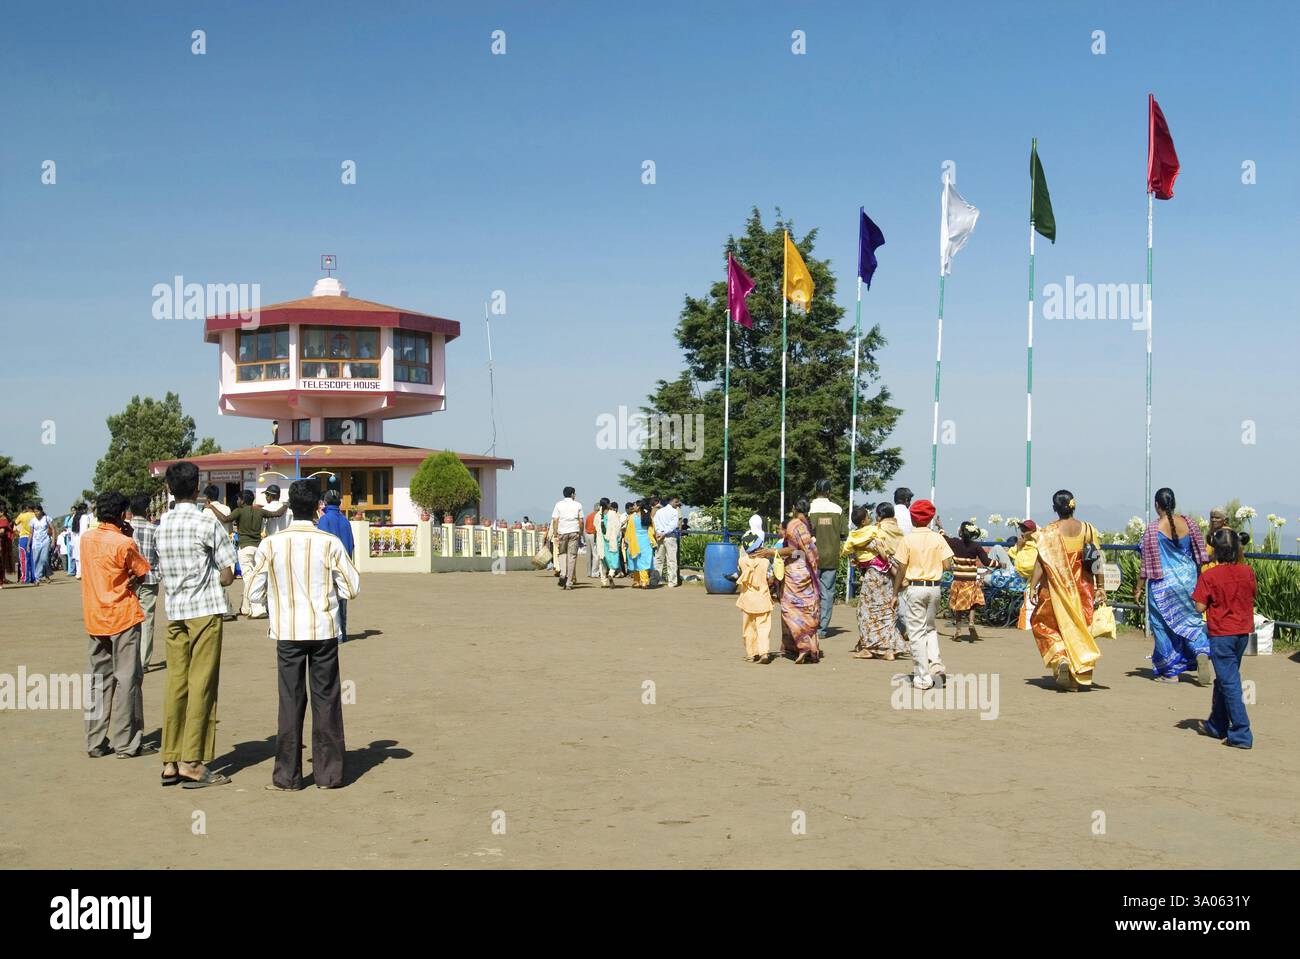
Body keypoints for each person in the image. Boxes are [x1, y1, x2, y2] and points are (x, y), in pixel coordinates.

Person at [248, 480, 360, 790]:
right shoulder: (329, 543)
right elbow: (352, 587)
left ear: (290, 506)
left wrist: (276, 601)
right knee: (326, 700)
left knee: (290, 700)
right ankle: (329, 774)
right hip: (322, 629)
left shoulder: (271, 544)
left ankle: (288, 775)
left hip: (287, 630)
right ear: (317, 508)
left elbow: (253, 591)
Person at [156, 461, 237, 789]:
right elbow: (228, 572)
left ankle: (170, 761)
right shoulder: (206, 522)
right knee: (202, 684)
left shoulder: (163, 523)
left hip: (175, 611)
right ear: (197, 487)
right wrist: (219, 578)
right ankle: (193, 761)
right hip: (203, 610)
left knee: (176, 685)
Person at [80, 491, 153, 759]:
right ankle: (126, 742)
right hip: (122, 615)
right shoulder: (124, 542)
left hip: (95, 615)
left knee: (99, 680)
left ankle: (95, 740)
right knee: (127, 680)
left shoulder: (86, 539)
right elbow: (143, 573)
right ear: (123, 514)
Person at [1136, 487, 1212, 685]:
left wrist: (1138, 587)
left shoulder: (1153, 529)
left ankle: (1170, 672)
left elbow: (1146, 563)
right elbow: (1200, 553)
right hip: (1188, 581)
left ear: (1156, 505)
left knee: (1161, 625)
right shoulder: (1189, 524)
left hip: (1162, 585)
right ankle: (1201, 651)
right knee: (1191, 621)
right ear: (1174, 503)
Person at [1029, 490, 1103, 691]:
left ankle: (1061, 658)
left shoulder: (1048, 533)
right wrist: (1101, 587)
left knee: (1043, 625)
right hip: (1082, 592)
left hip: (1054, 591)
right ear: (1073, 506)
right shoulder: (1088, 530)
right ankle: (1077, 679)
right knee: (1078, 631)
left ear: (1054, 509)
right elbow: (1097, 560)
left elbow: (1040, 563)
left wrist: (1032, 587)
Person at [1192, 527, 1255, 749]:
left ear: (1215, 550)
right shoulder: (1247, 572)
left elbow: (1199, 607)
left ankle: (1241, 732)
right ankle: (1217, 724)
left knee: (1230, 682)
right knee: (1226, 678)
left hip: (1221, 633)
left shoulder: (1209, 575)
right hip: (1242, 632)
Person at [892, 499, 953, 688]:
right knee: (930, 628)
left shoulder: (908, 539)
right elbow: (948, 565)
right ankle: (936, 666)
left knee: (916, 632)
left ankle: (923, 676)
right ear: (931, 518)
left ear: (912, 517)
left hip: (915, 587)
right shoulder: (938, 538)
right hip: (934, 587)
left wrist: (895, 592)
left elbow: (901, 569)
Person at [842, 502, 905, 660]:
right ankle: (889, 648)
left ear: (880, 516)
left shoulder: (873, 531)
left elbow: (853, 549)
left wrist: (856, 555)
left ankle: (870, 647)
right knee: (886, 610)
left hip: (873, 575)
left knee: (865, 611)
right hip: (890, 575)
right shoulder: (897, 530)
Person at [763, 500, 821, 663]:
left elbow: (792, 549)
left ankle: (802, 647)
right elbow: (809, 551)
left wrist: (772, 551)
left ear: (795, 509)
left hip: (794, 571)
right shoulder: (807, 525)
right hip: (807, 571)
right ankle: (810, 648)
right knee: (807, 609)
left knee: (790, 609)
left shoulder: (793, 524)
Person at [943, 520, 1001, 643]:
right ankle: (971, 622)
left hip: (958, 580)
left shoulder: (955, 543)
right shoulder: (976, 546)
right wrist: (1000, 564)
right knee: (972, 604)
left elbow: (944, 538)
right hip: (971, 581)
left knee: (958, 607)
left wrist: (940, 526)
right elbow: (986, 562)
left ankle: (958, 631)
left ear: (961, 532)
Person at [808, 479, 847, 639]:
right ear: (829, 492)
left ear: (816, 490)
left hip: (812, 558)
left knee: (810, 592)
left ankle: (810, 625)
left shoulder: (809, 509)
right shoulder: (837, 509)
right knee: (827, 593)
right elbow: (844, 533)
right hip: (831, 557)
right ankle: (822, 629)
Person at [126, 494, 160, 671]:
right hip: (149, 577)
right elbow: (159, 555)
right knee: (147, 620)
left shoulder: (125, 529)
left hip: (129, 580)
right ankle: (142, 662)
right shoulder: (154, 529)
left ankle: (128, 658)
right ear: (147, 510)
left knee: (129, 620)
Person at [316, 489, 355, 639]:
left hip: (328, 566)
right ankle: (342, 634)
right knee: (342, 601)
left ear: (325, 502)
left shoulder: (324, 520)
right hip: (344, 565)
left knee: (329, 602)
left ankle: (334, 635)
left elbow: (321, 545)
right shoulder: (345, 520)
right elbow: (352, 544)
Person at [736, 526, 775, 664]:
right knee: (763, 627)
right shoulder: (766, 562)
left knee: (748, 628)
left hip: (747, 600)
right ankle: (764, 653)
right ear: (759, 547)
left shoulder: (741, 561)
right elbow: (771, 579)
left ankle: (751, 654)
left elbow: (740, 576)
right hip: (762, 599)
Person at [227, 490, 268, 619]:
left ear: (242, 500)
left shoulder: (239, 510)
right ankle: (246, 607)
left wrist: (211, 507)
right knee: (252, 577)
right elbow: (277, 513)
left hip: (245, 548)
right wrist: (286, 504)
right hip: (258, 548)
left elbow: (225, 519)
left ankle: (258, 608)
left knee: (249, 579)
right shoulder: (259, 511)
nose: (237, 501)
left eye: (238, 499)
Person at [1008, 519, 1039, 629]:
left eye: (1025, 530)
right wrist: (1019, 547)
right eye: (1022, 529)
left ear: (1032, 531)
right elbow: (1011, 554)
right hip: (1014, 571)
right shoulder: (1022, 542)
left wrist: (1020, 548)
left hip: (1021, 577)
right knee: (997, 549)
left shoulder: (1036, 545)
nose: (1022, 532)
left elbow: (1027, 567)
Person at [550, 486, 583, 590]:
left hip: (562, 532)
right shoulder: (578, 505)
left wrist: (555, 534)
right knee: (572, 556)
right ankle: (569, 582)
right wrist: (580, 533)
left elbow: (555, 520)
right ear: (572, 494)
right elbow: (581, 521)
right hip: (574, 532)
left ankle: (563, 573)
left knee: (562, 554)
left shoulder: (558, 504)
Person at [624, 499, 657, 588]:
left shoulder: (631, 517)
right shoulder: (647, 515)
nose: (633, 507)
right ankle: (644, 582)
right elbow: (652, 529)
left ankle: (637, 581)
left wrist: (626, 541)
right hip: (646, 540)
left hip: (634, 540)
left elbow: (628, 530)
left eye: (634, 505)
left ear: (638, 507)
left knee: (636, 560)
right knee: (644, 560)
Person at [653, 495, 681, 588]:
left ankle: (655, 580)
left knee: (658, 559)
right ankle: (672, 581)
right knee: (671, 560)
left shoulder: (660, 511)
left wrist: (658, 532)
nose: (678, 504)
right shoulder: (674, 512)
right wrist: (664, 533)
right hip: (670, 537)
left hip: (659, 536)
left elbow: (655, 522)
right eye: (676, 502)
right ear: (671, 502)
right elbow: (673, 525)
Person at [592, 499, 618, 588]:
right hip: (611, 540)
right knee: (614, 560)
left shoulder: (597, 515)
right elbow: (617, 527)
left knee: (602, 562)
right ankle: (611, 573)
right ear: (608, 504)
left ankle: (603, 581)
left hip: (601, 541)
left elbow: (595, 527)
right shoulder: (612, 514)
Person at [28, 504, 54, 583]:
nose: (36, 513)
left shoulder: (47, 518)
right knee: (36, 560)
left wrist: (53, 541)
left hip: (45, 541)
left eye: (37, 511)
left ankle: (46, 575)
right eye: (35, 511)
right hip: (36, 543)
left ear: (41, 511)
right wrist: (28, 544)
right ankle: (37, 578)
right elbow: (31, 533)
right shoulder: (32, 521)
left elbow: (53, 529)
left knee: (44, 559)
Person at [14, 503, 35, 583]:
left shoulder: (21, 515)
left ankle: (25, 578)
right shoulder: (35, 515)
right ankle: (34, 577)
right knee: (33, 558)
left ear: (26, 508)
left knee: (24, 559)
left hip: (24, 538)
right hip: (33, 537)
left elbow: (15, 523)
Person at [585, 503, 601, 578]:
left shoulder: (589, 515)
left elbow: (586, 526)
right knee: (595, 555)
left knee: (589, 554)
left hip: (587, 534)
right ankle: (594, 572)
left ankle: (588, 572)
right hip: (593, 535)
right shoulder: (597, 516)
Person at [0, 505, 13, 587]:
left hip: (1, 544)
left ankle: (1, 581)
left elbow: (2, 531)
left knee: (0, 563)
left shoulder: (3, 519)